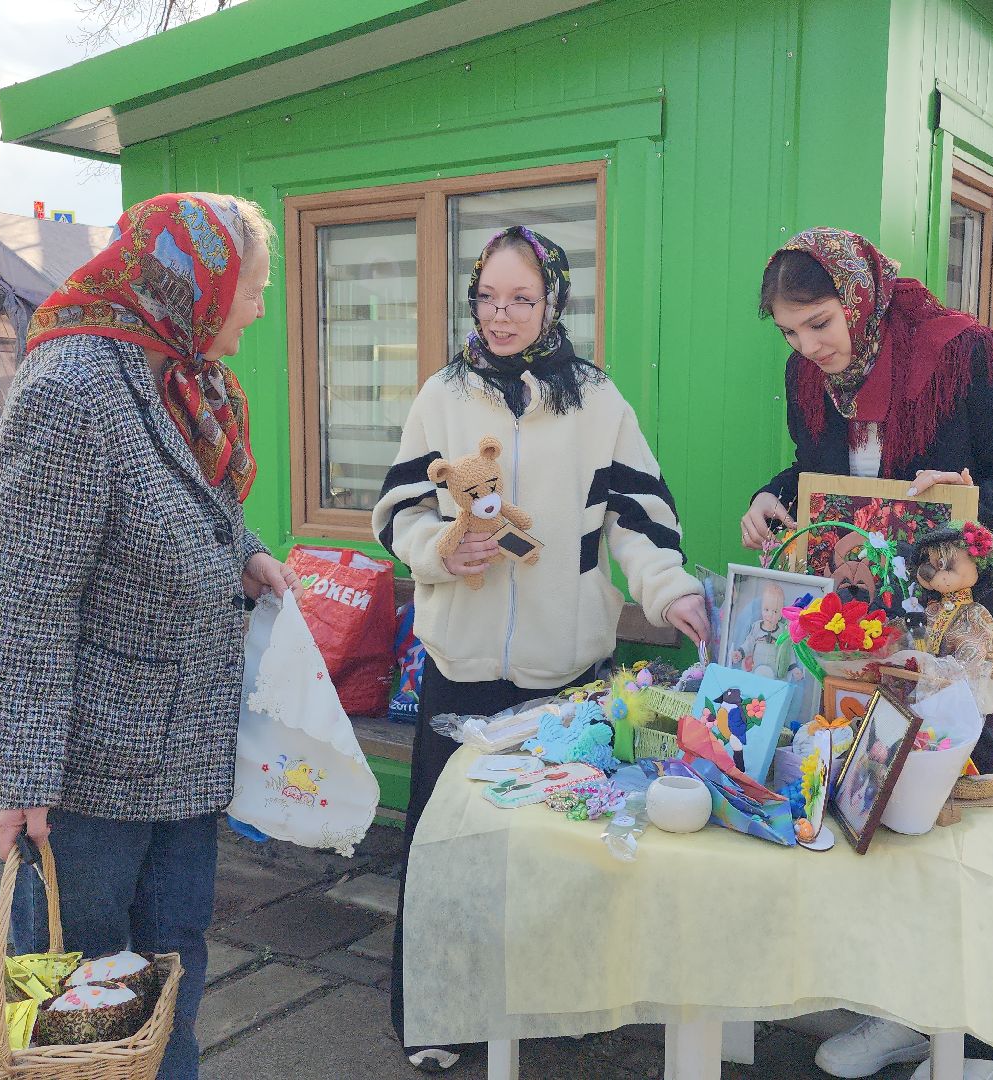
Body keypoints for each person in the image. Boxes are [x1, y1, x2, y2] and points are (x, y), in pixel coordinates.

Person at [0, 193, 295, 1080]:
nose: (257, 307)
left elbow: (189, 503)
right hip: (87, 768)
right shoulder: (74, 391)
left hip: (179, 748)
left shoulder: (173, 372)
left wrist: (245, 553)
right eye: (248, 288)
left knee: (173, 961)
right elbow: (26, 600)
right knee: (82, 986)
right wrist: (22, 780)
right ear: (191, 287)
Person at [373, 226, 709, 1072]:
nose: (501, 314)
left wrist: (671, 594)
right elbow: (402, 512)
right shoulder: (442, 396)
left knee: (560, 856)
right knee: (448, 854)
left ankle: (557, 1000)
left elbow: (636, 525)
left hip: (567, 680)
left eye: (522, 298)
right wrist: (438, 551)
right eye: (488, 296)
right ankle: (440, 1015)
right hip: (462, 673)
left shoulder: (599, 405)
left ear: (554, 301)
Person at [740, 228, 993, 1080]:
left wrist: (964, 499)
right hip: (864, 627)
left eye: (820, 324)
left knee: (977, 808)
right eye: (790, 333)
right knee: (880, 799)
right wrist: (771, 499)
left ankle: (985, 1031)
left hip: (956, 628)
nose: (809, 348)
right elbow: (814, 468)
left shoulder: (964, 353)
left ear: (859, 295)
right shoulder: (810, 375)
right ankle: (900, 1010)